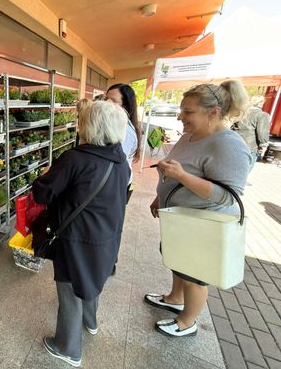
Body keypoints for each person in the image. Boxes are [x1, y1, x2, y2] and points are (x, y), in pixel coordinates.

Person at [145, 80, 251, 337]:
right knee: (178, 261)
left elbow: (228, 196)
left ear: (213, 112)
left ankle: (187, 321)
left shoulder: (228, 144)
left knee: (194, 274)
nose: (180, 117)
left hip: (202, 224)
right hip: (181, 219)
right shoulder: (189, 136)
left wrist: (181, 176)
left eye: (188, 112)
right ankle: (175, 298)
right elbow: (175, 171)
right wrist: (161, 196)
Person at [32, 100, 130, 366]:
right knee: (93, 279)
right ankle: (90, 322)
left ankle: (67, 348)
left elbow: (42, 193)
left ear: (90, 125)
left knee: (70, 289)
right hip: (107, 235)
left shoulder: (75, 159)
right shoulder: (120, 160)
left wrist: (45, 175)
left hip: (76, 238)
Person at [105, 83, 140, 202]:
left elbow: (116, 163)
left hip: (117, 185)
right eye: (106, 99)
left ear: (125, 105)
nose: (107, 104)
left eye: (113, 101)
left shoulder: (125, 131)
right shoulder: (115, 124)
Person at [231, 95, 270, 167]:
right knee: (243, 170)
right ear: (261, 103)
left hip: (234, 143)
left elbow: (232, 127)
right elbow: (262, 132)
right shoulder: (263, 115)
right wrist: (264, 145)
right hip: (250, 147)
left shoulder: (241, 113)